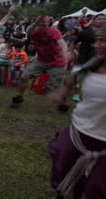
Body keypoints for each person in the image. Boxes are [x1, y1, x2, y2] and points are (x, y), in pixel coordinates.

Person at [46, 27, 106, 198]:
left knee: (98, 187)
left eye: (103, 41)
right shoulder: (92, 64)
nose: (97, 45)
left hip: (103, 143)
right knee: (64, 174)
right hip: (78, 133)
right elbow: (73, 78)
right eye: (97, 40)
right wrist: (61, 94)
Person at [11, 15, 68, 110]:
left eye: (45, 21)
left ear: (49, 22)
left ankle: (61, 104)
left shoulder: (53, 31)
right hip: (41, 61)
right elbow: (29, 32)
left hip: (55, 63)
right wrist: (36, 22)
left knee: (53, 87)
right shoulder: (36, 32)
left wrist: (65, 60)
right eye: (41, 20)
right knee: (24, 77)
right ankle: (19, 97)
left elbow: (62, 44)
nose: (43, 22)